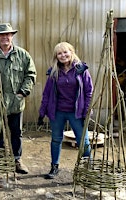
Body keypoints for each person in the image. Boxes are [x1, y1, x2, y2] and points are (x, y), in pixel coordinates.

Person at [0, 23, 37, 174]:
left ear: (12, 36)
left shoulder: (22, 55)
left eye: (8, 34)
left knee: (16, 132)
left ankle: (17, 159)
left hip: (15, 103)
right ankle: (1, 158)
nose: (5, 37)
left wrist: (22, 93)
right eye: (1, 35)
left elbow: (30, 75)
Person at [38, 42, 93, 179]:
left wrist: (86, 111)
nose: (63, 55)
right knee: (56, 139)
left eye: (65, 52)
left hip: (77, 112)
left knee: (83, 141)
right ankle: (54, 167)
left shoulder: (81, 70)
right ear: (56, 56)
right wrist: (42, 112)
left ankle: (87, 169)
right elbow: (47, 93)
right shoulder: (54, 72)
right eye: (59, 53)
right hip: (58, 112)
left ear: (71, 52)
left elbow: (89, 91)